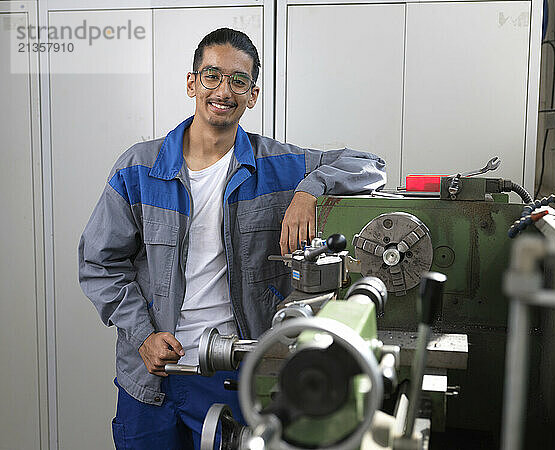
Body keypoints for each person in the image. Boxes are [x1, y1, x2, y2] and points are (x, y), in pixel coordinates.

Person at [79, 28, 385, 449]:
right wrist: (143, 336)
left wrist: (308, 191)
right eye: (212, 76)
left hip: (235, 374)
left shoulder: (278, 165)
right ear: (192, 83)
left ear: (253, 95)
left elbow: (370, 165)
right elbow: (99, 263)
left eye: (238, 81)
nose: (224, 90)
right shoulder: (138, 169)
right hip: (150, 378)